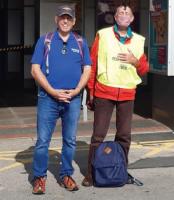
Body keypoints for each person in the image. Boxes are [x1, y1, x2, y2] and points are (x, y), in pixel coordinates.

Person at [82, 3, 149, 187]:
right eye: (120, 12)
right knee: (98, 136)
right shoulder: (102, 35)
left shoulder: (138, 40)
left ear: (132, 18)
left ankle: (120, 171)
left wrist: (135, 61)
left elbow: (144, 69)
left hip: (127, 93)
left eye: (127, 13)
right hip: (105, 91)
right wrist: (91, 92)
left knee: (124, 136)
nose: (123, 15)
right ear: (116, 16)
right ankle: (90, 174)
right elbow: (93, 63)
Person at [31, 4, 91, 194]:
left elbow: (87, 69)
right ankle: (39, 177)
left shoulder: (80, 42)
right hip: (48, 97)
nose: (65, 20)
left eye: (69, 18)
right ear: (56, 19)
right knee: (42, 141)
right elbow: (35, 69)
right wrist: (52, 91)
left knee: (70, 140)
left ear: (74, 21)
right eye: (62, 17)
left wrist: (76, 91)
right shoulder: (45, 40)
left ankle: (66, 174)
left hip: (72, 99)